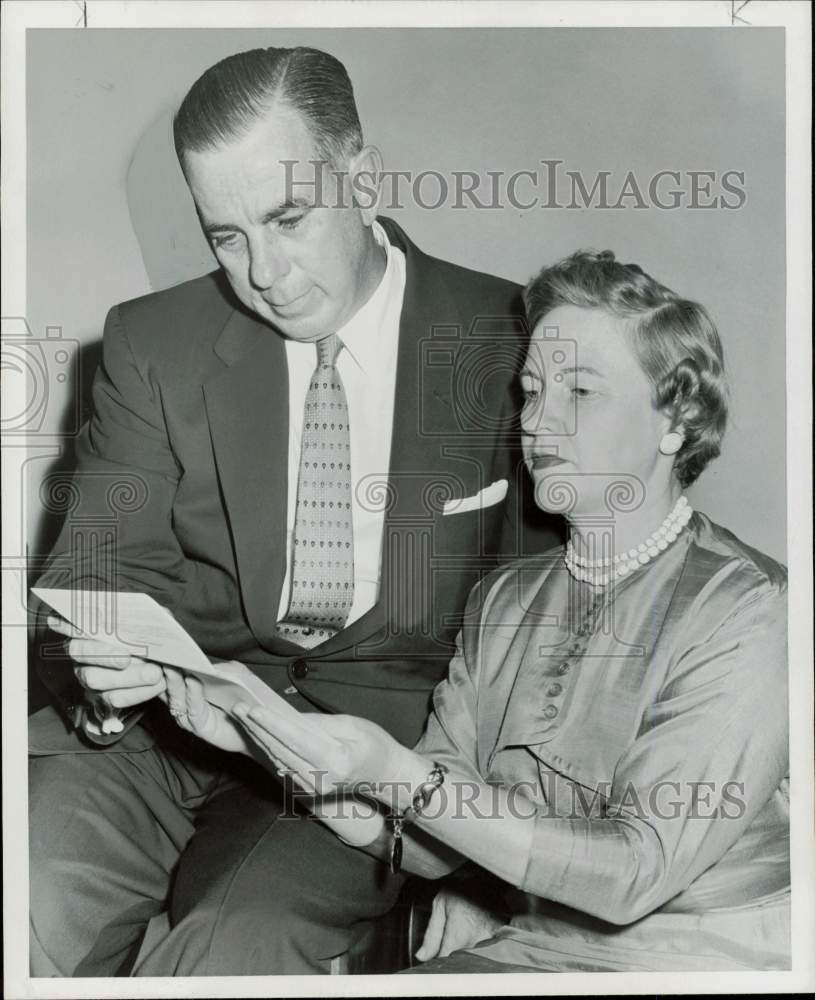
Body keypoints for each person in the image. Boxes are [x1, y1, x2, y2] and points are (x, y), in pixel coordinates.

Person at [28, 46, 555, 976]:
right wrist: (102, 675)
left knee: (231, 954)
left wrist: (495, 877)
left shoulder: (510, 342)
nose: (261, 272)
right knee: (27, 906)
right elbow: (97, 568)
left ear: (362, 174)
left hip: (355, 775)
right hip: (152, 741)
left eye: (287, 218)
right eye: (224, 235)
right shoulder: (153, 343)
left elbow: (550, 650)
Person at [171, 249, 790, 973]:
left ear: (674, 420)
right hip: (535, 947)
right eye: (530, 392)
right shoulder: (504, 598)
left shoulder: (749, 608)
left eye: (579, 392)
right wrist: (256, 739)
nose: (538, 422)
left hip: (706, 960)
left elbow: (630, 875)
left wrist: (398, 775)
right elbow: (430, 840)